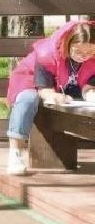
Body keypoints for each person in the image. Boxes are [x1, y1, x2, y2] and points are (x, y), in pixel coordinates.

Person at [5, 19, 95, 175]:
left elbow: (89, 84)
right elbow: (44, 89)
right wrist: (53, 95)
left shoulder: (91, 59)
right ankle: (15, 153)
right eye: (78, 51)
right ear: (67, 43)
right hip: (32, 81)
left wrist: (90, 94)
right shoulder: (47, 54)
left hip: (64, 89)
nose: (84, 56)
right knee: (28, 99)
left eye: (90, 52)